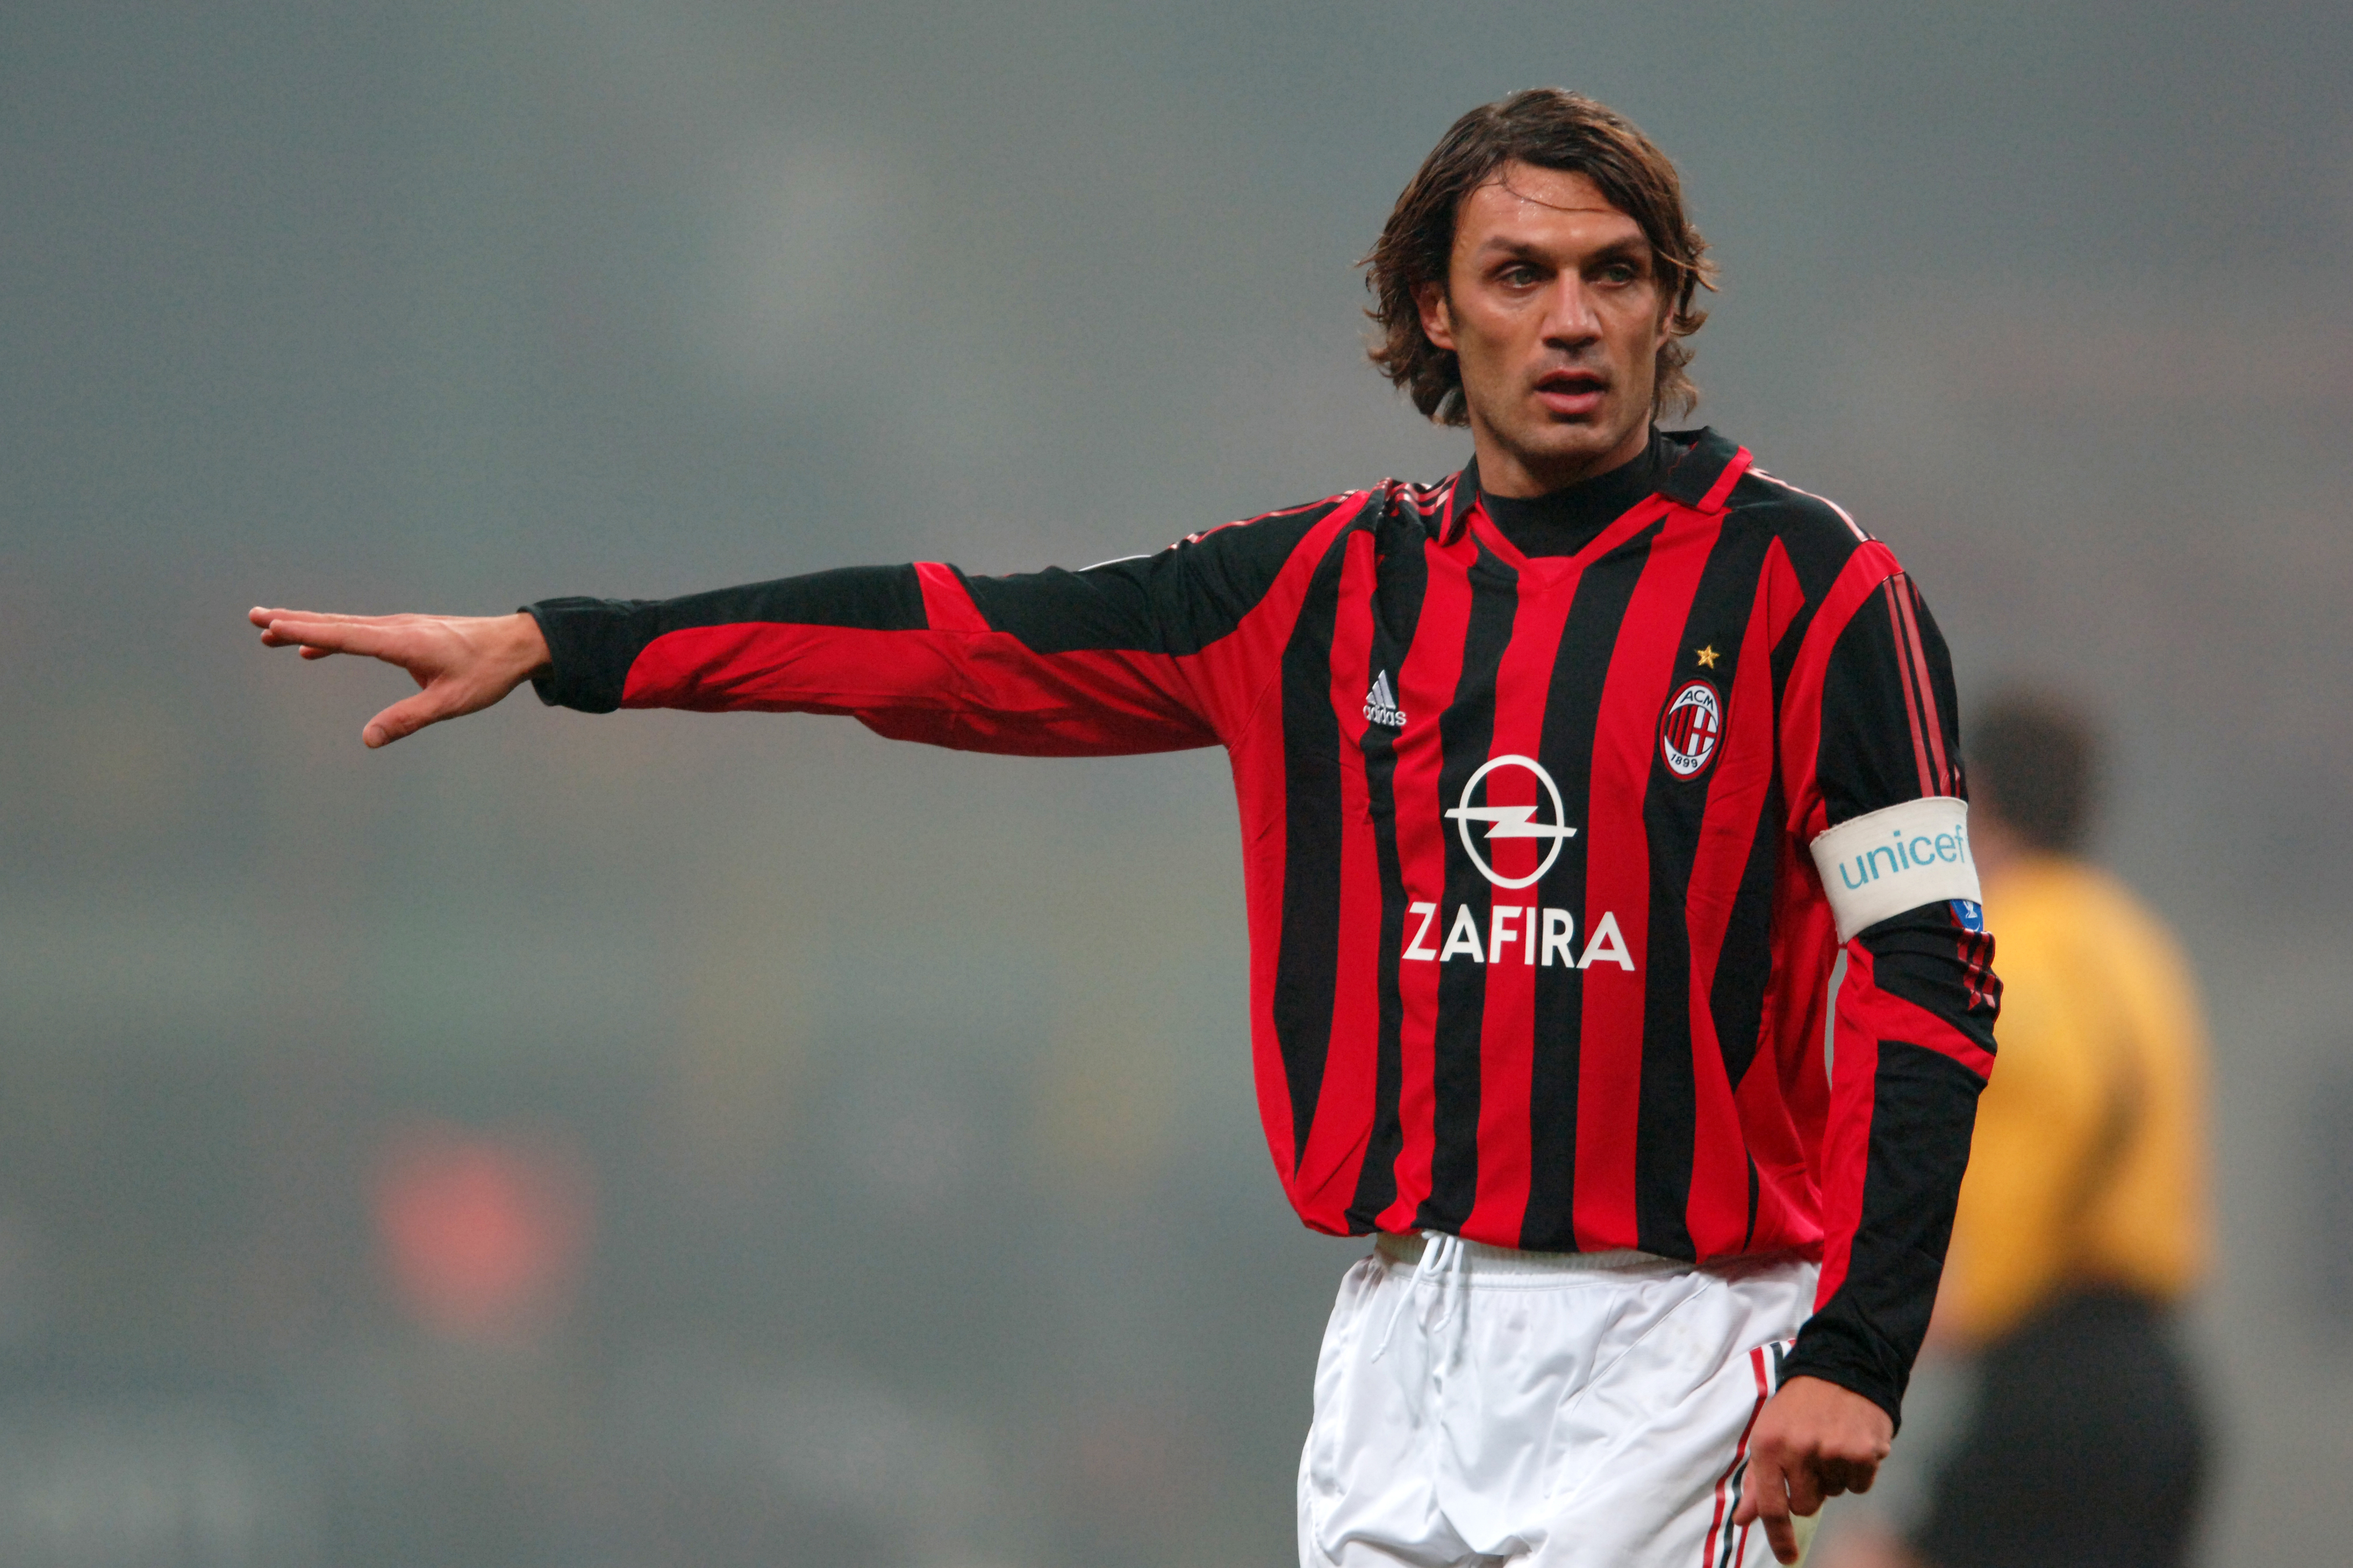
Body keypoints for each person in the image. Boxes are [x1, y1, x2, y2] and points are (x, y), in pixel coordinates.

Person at [251, 90, 2000, 1567]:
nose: (1569, 318)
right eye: (1519, 274)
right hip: (1402, 1324)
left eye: (1614, 276)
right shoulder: (1318, 589)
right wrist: (572, 643)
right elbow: (954, 639)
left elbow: (1928, 980)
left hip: (1678, 1333)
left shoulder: (1813, 590)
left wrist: (1858, 1342)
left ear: (1669, 309)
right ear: (1436, 310)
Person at [1859, 692, 2208, 1568]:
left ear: (1973, 799)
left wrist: (1952, 1299)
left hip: (2049, 1388)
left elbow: (2074, 1103)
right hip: (2161, 1392)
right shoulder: (2135, 940)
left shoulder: (2007, 937)